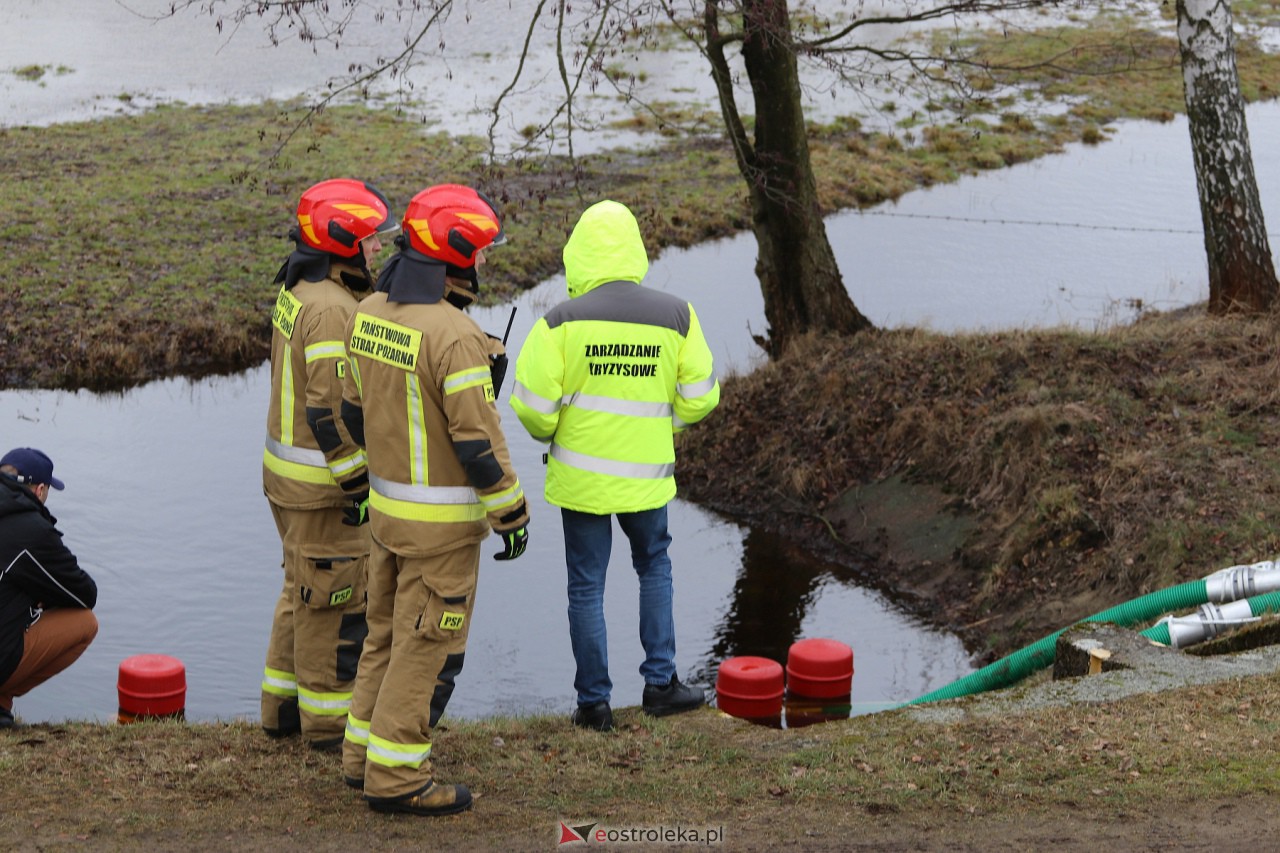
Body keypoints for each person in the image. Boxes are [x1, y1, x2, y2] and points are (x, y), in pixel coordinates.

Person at [339, 184, 530, 816]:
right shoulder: (456, 336)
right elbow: (478, 444)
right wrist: (513, 516)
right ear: (457, 257)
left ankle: (360, 757)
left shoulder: (370, 312)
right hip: (442, 533)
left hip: (389, 520)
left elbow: (354, 410)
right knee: (425, 649)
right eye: (479, 253)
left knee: (383, 640)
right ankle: (395, 778)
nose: (482, 265)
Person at [510, 199, 720, 733]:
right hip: (647, 479)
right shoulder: (678, 315)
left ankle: (594, 705)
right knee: (654, 566)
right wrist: (658, 426)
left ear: (578, 254)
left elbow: (533, 410)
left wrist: (560, 431)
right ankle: (660, 684)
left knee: (586, 585)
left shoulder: (558, 322)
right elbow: (700, 398)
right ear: (635, 251)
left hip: (580, 481)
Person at [260, 179, 398, 751]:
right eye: (369, 240)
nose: (378, 251)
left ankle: (281, 709)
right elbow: (329, 414)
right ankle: (324, 727)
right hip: (324, 489)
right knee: (336, 606)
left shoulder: (301, 289)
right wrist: (359, 484)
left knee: (301, 590)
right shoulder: (332, 311)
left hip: (287, 482)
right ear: (341, 242)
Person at [0, 448, 98, 729]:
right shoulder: (29, 529)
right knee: (84, 623)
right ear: (40, 489)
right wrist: (42, 595)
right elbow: (84, 593)